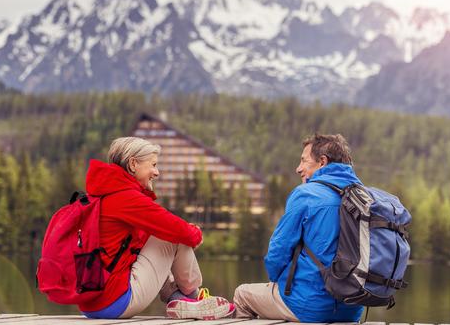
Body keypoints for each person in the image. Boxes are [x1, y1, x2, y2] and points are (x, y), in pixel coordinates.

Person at [80, 136, 234, 319]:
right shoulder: (126, 198)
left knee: (158, 235)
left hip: (90, 303)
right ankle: (194, 297)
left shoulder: (101, 195)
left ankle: (178, 299)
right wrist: (195, 233)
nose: (157, 172)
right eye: (152, 164)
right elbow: (180, 231)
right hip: (114, 302)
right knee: (174, 235)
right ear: (133, 164)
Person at [233, 133, 364, 322]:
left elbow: (277, 252)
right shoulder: (362, 197)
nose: (298, 168)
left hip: (308, 306)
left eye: (303, 161)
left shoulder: (306, 194)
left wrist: (276, 280)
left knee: (242, 294)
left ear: (322, 162)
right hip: (352, 308)